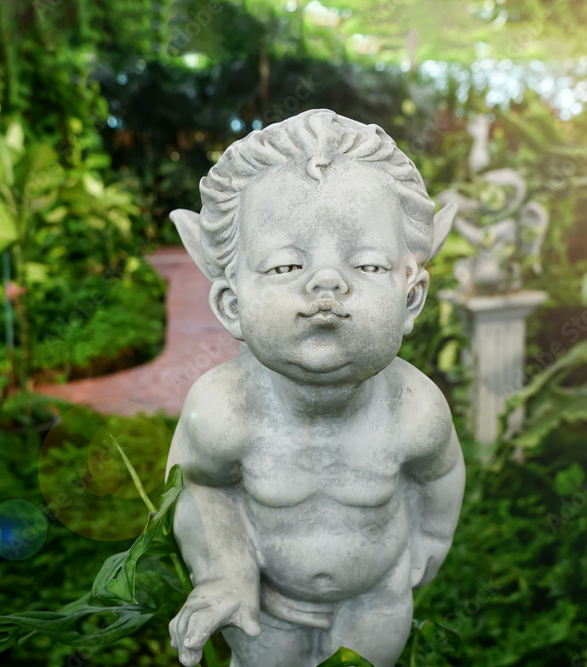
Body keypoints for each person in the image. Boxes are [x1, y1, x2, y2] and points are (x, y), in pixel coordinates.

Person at [166, 109, 464, 667]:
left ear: (412, 298)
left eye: (369, 265)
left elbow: (441, 474)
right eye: (284, 267)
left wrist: (430, 542)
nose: (327, 282)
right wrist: (224, 573)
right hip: (266, 606)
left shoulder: (415, 410)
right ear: (232, 305)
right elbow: (197, 488)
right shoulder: (223, 409)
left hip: (377, 598)